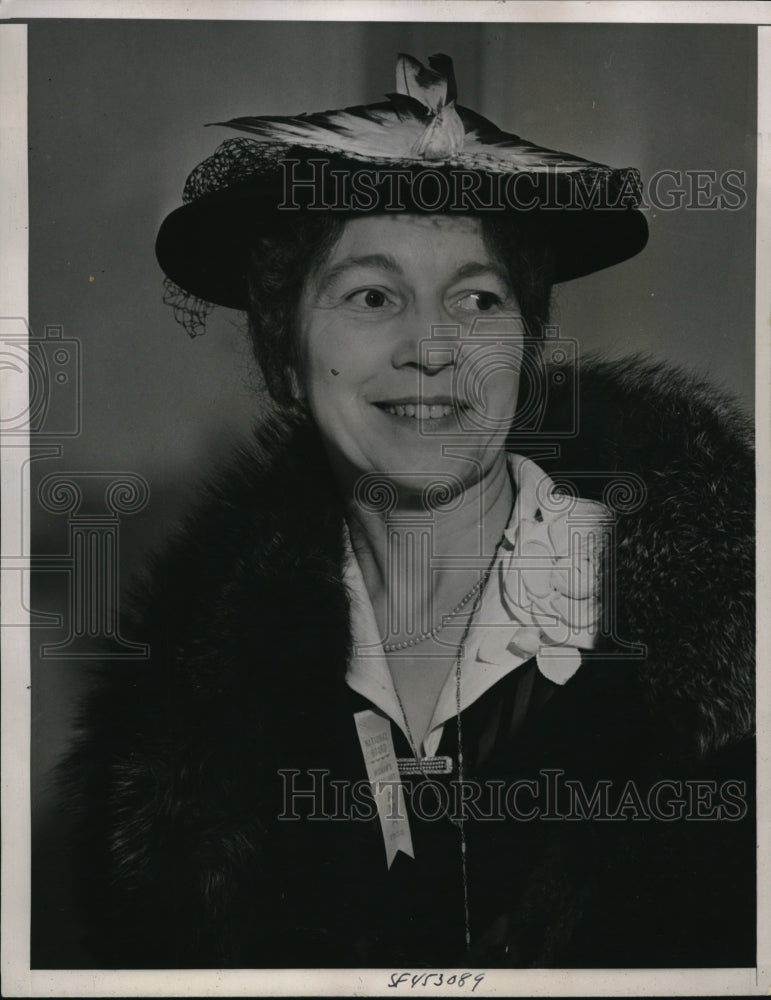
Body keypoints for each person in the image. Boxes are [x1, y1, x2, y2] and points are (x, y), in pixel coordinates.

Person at [63, 53, 754, 969]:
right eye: (371, 296)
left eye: (476, 297)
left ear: (524, 346)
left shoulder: (732, 632)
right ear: (285, 358)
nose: (433, 347)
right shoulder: (199, 721)